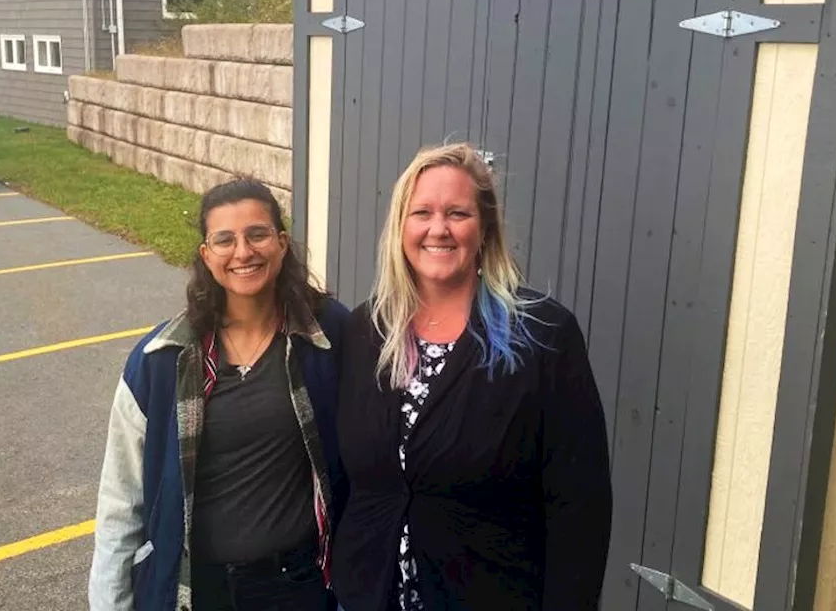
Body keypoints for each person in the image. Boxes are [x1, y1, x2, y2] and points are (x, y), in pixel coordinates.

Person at [332, 143, 613, 610]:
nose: (437, 228)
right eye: (421, 212)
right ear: (400, 227)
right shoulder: (368, 329)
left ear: (484, 229)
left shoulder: (542, 336)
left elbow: (580, 506)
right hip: (367, 593)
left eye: (457, 213)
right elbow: (347, 477)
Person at [89, 178, 350, 611]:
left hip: (299, 586)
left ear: (282, 243)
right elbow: (121, 501)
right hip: (196, 590)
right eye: (224, 240)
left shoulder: (328, 337)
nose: (243, 252)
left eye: (258, 234)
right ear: (206, 256)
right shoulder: (159, 362)